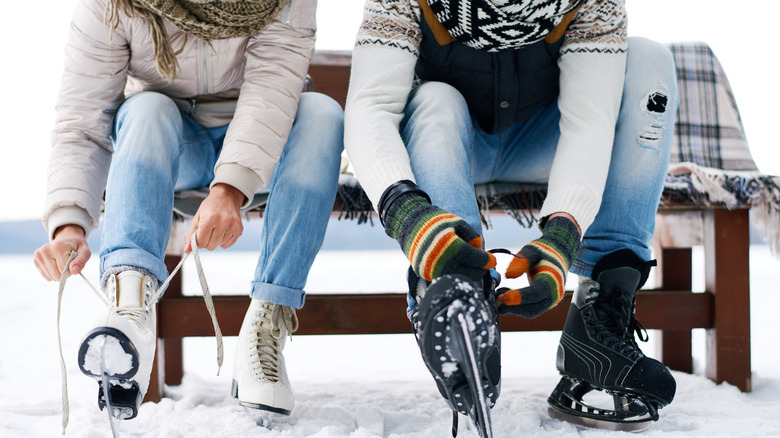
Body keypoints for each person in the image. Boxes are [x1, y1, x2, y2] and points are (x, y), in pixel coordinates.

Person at [344, 0, 678, 434]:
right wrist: (408, 216)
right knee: (435, 98)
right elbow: (371, 105)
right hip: (446, 140)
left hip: (544, 140)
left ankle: (601, 310)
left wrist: (563, 234)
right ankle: (457, 294)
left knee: (650, 60)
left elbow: (589, 122)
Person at [32, 0, 343, 427]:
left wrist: (230, 189)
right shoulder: (113, 5)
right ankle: (130, 311)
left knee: (322, 114)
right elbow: (82, 120)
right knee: (145, 108)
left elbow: (273, 89)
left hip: (266, 151)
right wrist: (69, 224)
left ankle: (267, 322)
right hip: (176, 146)